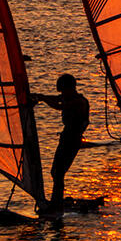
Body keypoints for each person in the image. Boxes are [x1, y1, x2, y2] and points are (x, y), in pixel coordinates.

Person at [31, 73, 90, 212]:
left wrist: (43, 99)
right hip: (66, 138)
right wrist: (39, 96)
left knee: (58, 172)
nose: (62, 93)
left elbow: (60, 106)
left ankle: (56, 204)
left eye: (63, 90)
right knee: (56, 172)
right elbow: (57, 99)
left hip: (73, 140)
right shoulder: (68, 97)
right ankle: (56, 200)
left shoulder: (79, 101)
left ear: (70, 88)